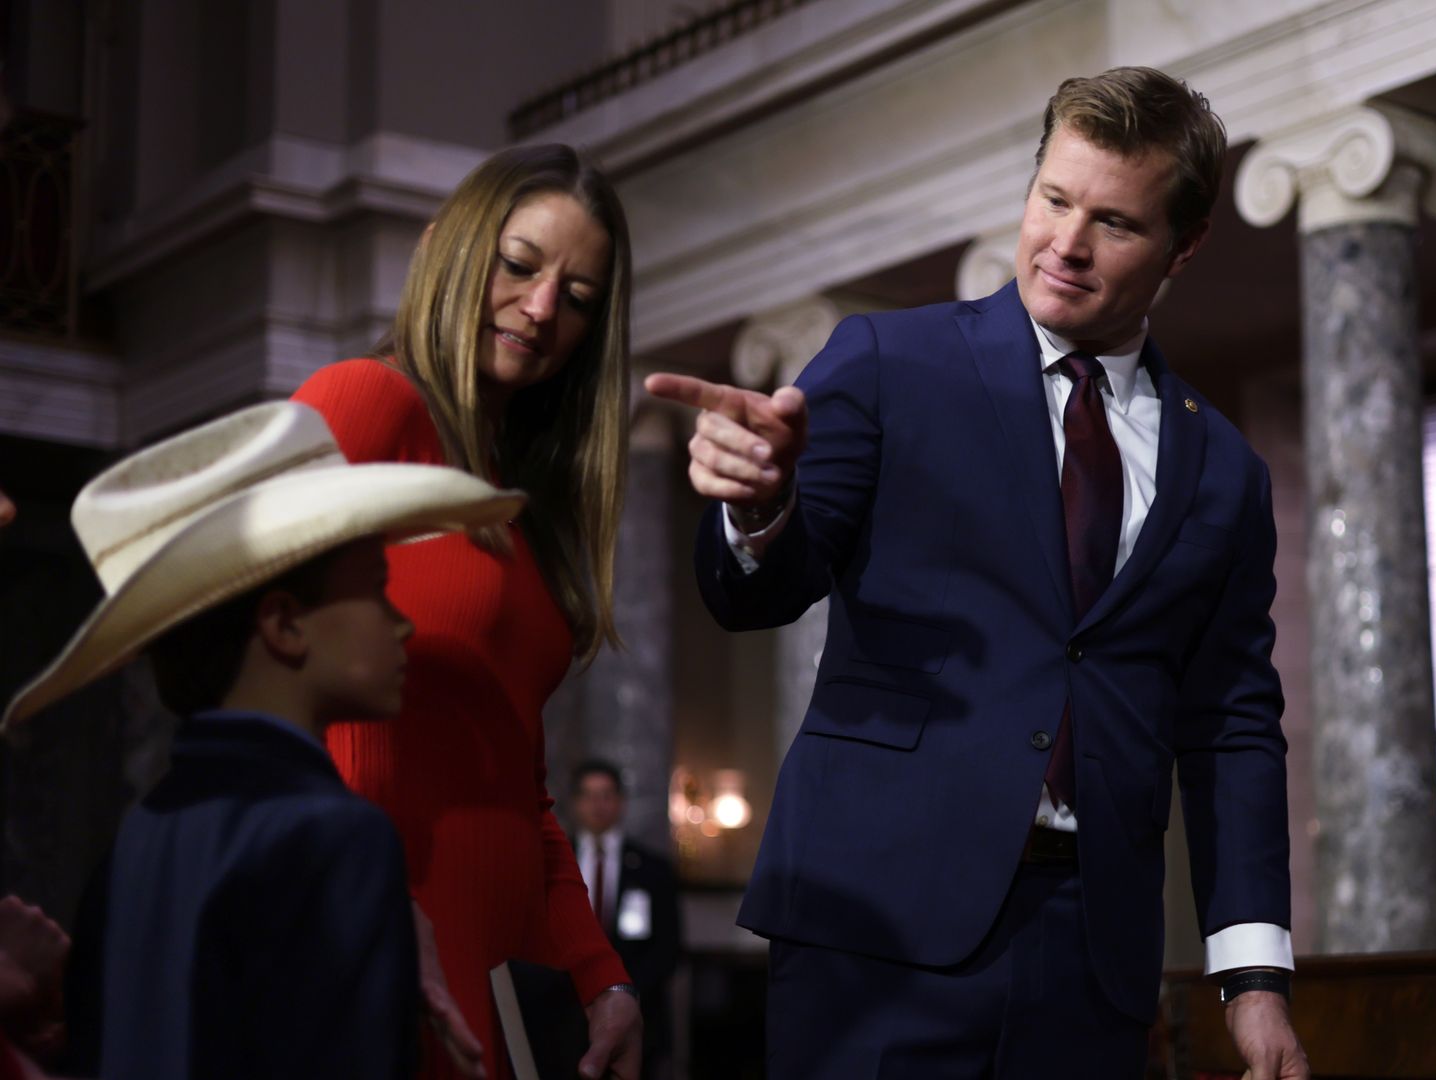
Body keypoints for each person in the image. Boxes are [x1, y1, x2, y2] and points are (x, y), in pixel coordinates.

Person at [648, 67, 1306, 1078]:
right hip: (870, 931)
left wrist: (1253, 979)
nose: (1066, 245)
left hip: (1092, 960)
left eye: (1116, 224)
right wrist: (758, 506)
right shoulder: (885, 361)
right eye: (1053, 198)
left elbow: (1231, 725)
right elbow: (758, 593)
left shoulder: (1223, 470)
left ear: (1187, 244)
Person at [3, 401, 522, 1079]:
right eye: (376, 590)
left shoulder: (138, 838)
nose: (402, 625)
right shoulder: (334, 837)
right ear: (284, 625)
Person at [291, 143, 643, 1080]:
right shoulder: (365, 403)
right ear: (449, 246)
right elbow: (275, 687)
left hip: (498, 965)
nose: (541, 309)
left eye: (577, 299)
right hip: (375, 923)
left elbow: (520, 787)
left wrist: (600, 972)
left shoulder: (524, 510)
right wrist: (371, 896)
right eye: (521, 265)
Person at [569, 761, 683, 1080]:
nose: (598, 805)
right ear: (576, 803)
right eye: (589, 795)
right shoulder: (553, 863)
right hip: (567, 1016)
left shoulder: (652, 869)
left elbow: (668, 947)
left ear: (620, 802)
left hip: (638, 1013)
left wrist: (623, 993)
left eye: (606, 795)